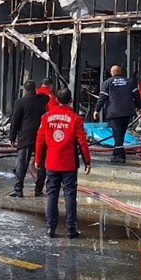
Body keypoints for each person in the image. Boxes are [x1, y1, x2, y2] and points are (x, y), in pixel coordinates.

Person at [35, 88, 91, 239]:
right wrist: (87, 161)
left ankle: (50, 227)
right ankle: (71, 228)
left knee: (52, 194)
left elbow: (40, 141)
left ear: (57, 100)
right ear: (71, 101)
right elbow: (82, 142)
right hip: (69, 163)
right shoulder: (76, 119)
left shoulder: (46, 117)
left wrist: (38, 160)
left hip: (52, 162)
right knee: (70, 195)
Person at [7, 80, 50, 197]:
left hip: (25, 136)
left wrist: (12, 137)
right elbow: (47, 96)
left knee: (22, 163)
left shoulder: (20, 102)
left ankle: (18, 189)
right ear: (35, 89)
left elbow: (15, 121)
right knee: (41, 163)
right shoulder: (42, 99)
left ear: (25, 90)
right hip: (41, 135)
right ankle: (38, 189)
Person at [94, 64, 136, 163]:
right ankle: (116, 153)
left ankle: (120, 156)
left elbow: (102, 98)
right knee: (121, 133)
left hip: (114, 112)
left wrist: (97, 110)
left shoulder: (107, 82)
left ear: (111, 73)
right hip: (127, 111)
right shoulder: (129, 82)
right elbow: (136, 95)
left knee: (117, 133)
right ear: (120, 72)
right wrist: (139, 106)